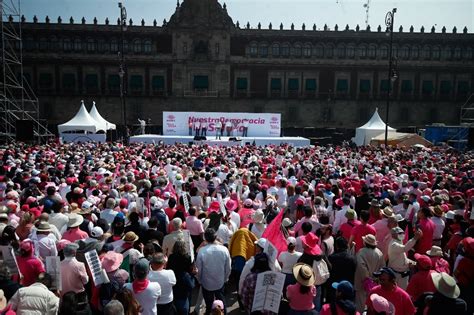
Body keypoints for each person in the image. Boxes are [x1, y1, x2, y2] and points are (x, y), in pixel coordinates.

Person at [196, 228, 231, 315]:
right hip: (220, 281)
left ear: (205, 238)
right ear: (215, 237)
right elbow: (228, 267)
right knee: (222, 303)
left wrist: (200, 280)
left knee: (209, 305)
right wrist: (225, 279)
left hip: (206, 283)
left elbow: (198, 269)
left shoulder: (202, 251)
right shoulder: (224, 250)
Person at [354, 234, 384, 312]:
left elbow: (361, 267)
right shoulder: (379, 253)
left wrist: (367, 279)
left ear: (365, 243)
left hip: (362, 282)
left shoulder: (361, 252)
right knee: (372, 304)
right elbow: (382, 267)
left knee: (361, 304)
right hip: (375, 282)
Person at [60, 242, 90, 313]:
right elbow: (85, 281)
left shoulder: (58, 264)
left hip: (64, 296)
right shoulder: (79, 265)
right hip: (78, 296)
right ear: (74, 253)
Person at [327, 237, 357, 304]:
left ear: (336, 246)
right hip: (347, 287)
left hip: (333, 287)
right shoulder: (352, 258)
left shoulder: (331, 258)